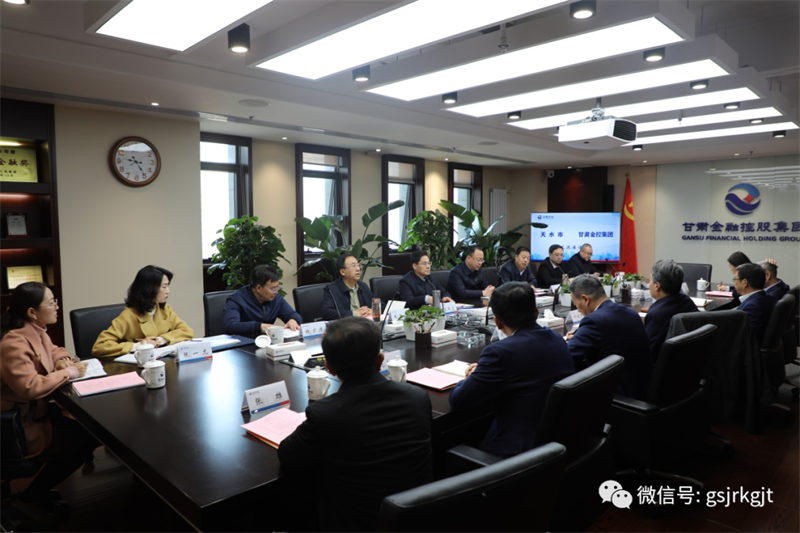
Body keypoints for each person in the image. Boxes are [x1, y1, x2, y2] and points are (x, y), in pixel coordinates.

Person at [278, 317, 432, 533]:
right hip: (417, 518)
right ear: (380, 361)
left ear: (329, 368)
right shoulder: (417, 397)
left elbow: (288, 457)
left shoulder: (325, 414)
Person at [0, 282, 98, 530]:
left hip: (35, 413)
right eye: (52, 302)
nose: (57, 307)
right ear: (32, 312)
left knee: (85, 432)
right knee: (83, 439)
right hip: (15, 425)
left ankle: (37, 492)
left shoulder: (36, 331)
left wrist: (63, 361)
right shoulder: (13, 342)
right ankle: (28, 499)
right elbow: (29, 387)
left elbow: (54, 350)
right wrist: (69, 372)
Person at [449, 283, 574, 458]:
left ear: (497, 322)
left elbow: (459, 400)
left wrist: (473, 376)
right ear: (536, 311)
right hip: (558, 439)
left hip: (517, 452)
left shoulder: (499, 353)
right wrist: (487, 370)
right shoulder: (556, 338)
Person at [566, 274, 653, 400]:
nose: (577, 309)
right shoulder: (630, 312)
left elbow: (567, 355)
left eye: (576, 304)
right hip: (643, 387)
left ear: (585, 299)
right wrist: (580, 335)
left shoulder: (594, 321)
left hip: (617, 396)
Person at [92, 265, 193, 357]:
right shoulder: (128, 315)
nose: (168, 291)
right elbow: (100, 346)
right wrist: (139, 345)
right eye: (164, 287)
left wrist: (161, 339)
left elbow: (187, 331)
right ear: (150, 288)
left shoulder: (165, 309)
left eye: (168, 286)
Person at [223, 265, 302, 337]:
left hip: (268, 341)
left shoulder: (275, 298)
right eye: (273, 288)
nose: (276, 291)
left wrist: (293, 320)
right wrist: (259, 327)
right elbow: (230, 326)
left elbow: (293, 315)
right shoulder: (237, 299)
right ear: (258, 288)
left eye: (277, 287)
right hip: (244, 342)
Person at [643, 260, 698, 360]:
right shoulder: (687, 301)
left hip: (662, 366)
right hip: (689, 361)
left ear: (657, 286)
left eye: (650, 281)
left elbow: (647, 353)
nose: (648, 285)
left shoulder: (657, 314)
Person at [321, 253, 375, 320]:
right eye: (353, 266)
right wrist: (354, 314)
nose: (358, 269)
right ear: (342, 272)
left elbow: (379, 303)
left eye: (358, 265)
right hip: (345, 325)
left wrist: (372, 311)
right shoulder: (331, 289)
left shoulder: (363, 286)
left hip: (364, 323)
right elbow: (327, 312)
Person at [734, 263, 775, 344]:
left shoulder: (751, 307)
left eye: (735, 279)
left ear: (745, 282)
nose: (734, 283)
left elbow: (747, 339)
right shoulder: (767, 298)